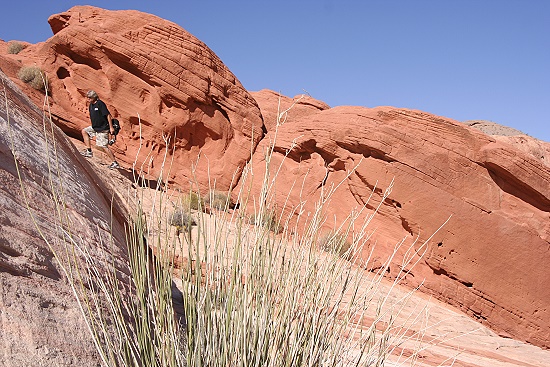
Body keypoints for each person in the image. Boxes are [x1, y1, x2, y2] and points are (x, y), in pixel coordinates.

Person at [80, 90, 120, 169]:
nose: (87, 99)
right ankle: (89, 151)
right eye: (87, 98)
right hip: (95, 127)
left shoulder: (100, 104)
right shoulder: (91, 105)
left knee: (103, 146)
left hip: (103, 128)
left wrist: (111, 127)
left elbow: (108, 115)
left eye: (89, 98)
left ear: (93, 97)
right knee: (84, 131)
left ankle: (115, 163)